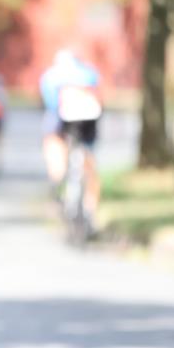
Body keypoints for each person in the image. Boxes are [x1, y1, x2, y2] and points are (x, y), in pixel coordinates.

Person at [39, 49, 102, 222]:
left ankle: (57, 191)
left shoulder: (50, 76)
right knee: (89, 166)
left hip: (60, 122)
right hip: (88, 124)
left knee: (56, 157)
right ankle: (91, 213)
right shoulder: (89, 73)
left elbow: (49, 103)